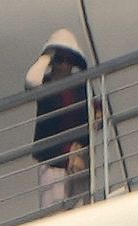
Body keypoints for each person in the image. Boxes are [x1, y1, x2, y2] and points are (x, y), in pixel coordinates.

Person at [26, 32, 95, 212]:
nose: (64, 64)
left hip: (78, 161)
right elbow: (31, 81)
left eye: (68, 60)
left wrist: (80, 148)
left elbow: (97, 114)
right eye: (60, 59)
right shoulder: (45, 85)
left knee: (82, 213)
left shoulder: (81, 87)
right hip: (53, 161)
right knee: (53, 215)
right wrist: (48, 54)